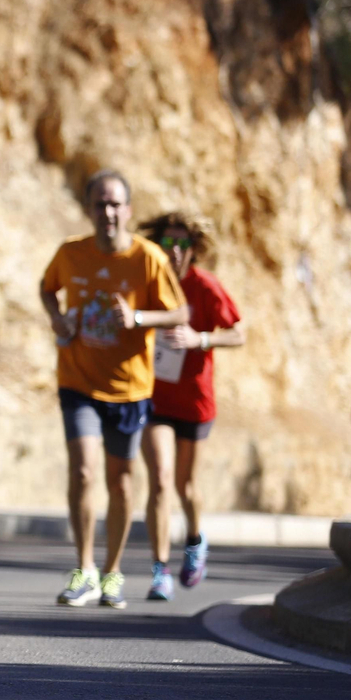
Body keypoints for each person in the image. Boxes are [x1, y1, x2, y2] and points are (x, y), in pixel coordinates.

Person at [40, 170, 186, 608]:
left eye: (116, 204)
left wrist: (138, 319)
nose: (108, 212)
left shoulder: (147, 259)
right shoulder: (70, 254)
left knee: (120, 482)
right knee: (83, 470)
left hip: (128, 387)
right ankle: (83, 569)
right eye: (100, 204)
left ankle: (113, 572)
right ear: (89, 209)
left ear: (128, 210)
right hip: (78, 380)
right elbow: (47, 289)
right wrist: (58, 319)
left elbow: (179, 313)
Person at [136, 211, 245, 597]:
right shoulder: (150, 283)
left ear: (194, 250)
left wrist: (199, 339)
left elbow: (238, 333)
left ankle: (195, 542)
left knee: (186, 486)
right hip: (155, 398)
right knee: (161, 481)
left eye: (183, 245)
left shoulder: (205, 286)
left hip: (196, 402)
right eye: (168, 244)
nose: (176, 252)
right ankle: (159, 569)